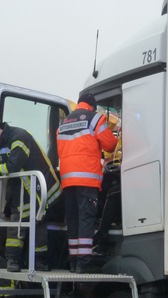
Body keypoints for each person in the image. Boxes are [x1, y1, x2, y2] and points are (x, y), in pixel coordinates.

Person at [0, 113, 62, 272]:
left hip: (42, 188)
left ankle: (37, 262)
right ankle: (13, 260)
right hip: (25, 188)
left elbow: (11, 167)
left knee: (36, 222)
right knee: (18, 221)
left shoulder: (19, 138)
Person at [57, 93, 118, 273]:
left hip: (68, 179)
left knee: (74, 220)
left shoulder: (64, 123)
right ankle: (84, 262)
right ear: (92, 105)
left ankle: (74, 261)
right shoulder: (96, 119)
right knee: (86, 218)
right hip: (87, 178)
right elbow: (110, 145)